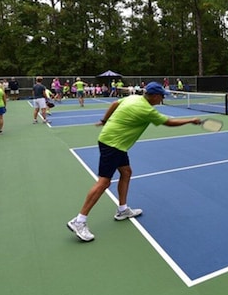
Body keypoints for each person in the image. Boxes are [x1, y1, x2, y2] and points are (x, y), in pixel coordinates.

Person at [66, 82, 201, 242]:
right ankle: (79, 220)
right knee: (104, 182)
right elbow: (168, 122)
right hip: (113, 144)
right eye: (162, 96)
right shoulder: (146, 110)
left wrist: (104, 120)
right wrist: (191, 120)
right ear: (155, 96)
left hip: (114, 142)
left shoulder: (133, 98)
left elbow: (115, 104)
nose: (162, 99)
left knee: (126, 172)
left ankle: (122, 209)